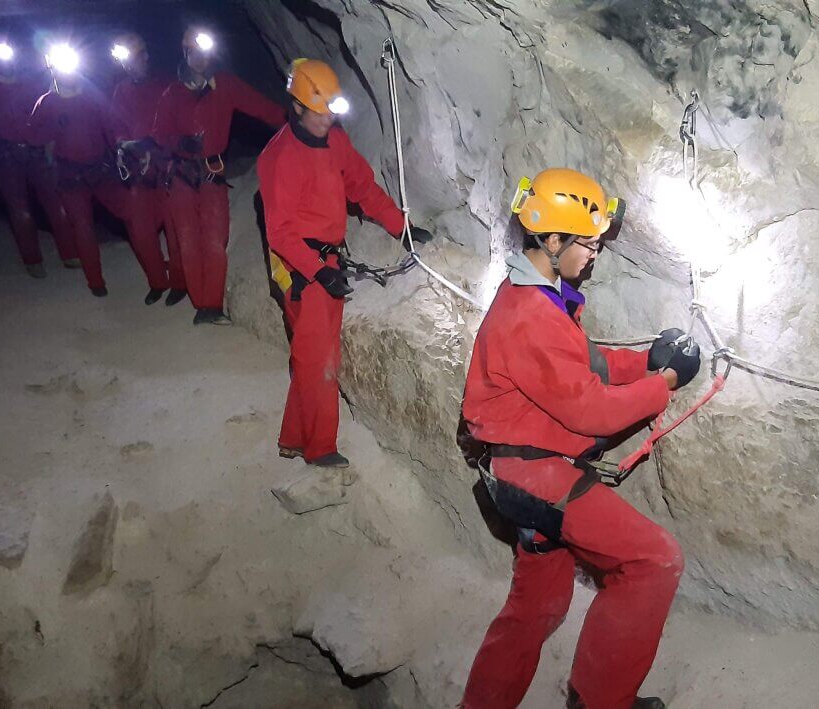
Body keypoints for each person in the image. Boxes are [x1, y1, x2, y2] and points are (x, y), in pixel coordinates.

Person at [459, 169, 701, 709]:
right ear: (552, 240)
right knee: (653, 561)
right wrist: (660, 387)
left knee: (537, 607)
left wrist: (646, 361)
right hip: (537, 475)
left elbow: (581, 365)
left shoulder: (538, 293)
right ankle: (601, 701)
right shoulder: (529, 315)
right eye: (587, 243)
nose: (594, 254)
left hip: (516, 468)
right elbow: (590, 409)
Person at [256, 58, 432, 467]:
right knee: (318, 357)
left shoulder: (335, 141)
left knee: (310, 351)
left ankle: (294, 437)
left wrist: (400, 228)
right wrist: (318, 273)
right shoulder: (278, 157)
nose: (326, 121)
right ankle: (319, 448)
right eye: (318, 113)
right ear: (296, 107)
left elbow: (363, 187)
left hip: (326, 258)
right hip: (297, 264)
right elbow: (280, 232)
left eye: (331, 112)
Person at [152, 27, 285, 325]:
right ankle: (202, 302)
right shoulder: (173, 93)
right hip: (182, 174)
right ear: (185, 54)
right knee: (188, 240)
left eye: (204, 52)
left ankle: (210, 306)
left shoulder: (224, 85)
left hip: (212, 172)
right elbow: (159, 135)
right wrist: (180, 143)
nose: (200, 58)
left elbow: (261, 107)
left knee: (215, 239)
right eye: (194, 52)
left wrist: (294, 121)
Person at [0, 36, 71, 278]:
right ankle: (33, 260)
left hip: (34, 152)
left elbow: (49, 110)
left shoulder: (29, 85)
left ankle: (70, 253)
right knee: (20, 210)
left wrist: (48, 145)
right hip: (5, 156)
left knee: (55, 203)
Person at [29, 43, 128, 297]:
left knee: (128, 212)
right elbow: (34, 135)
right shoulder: (47, 103)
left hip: (99, 168)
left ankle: (153, 263)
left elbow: (112, 124)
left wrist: (121, 147)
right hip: (70, 175)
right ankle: (95, 282)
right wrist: (51, 136)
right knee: (83, 227)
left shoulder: (91, 96)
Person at [107, 32, 184, 305]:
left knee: (175, 228)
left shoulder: (166, 84)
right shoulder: (121, 90)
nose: (131, 64)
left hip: (167, 166)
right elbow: (115, 126)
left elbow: (180, 120)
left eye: (135, 57)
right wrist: (124, 144)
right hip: (138, 169)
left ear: (146, 57)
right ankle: (157, 281)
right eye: (127, 60)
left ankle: (178, 281)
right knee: (140, 229)